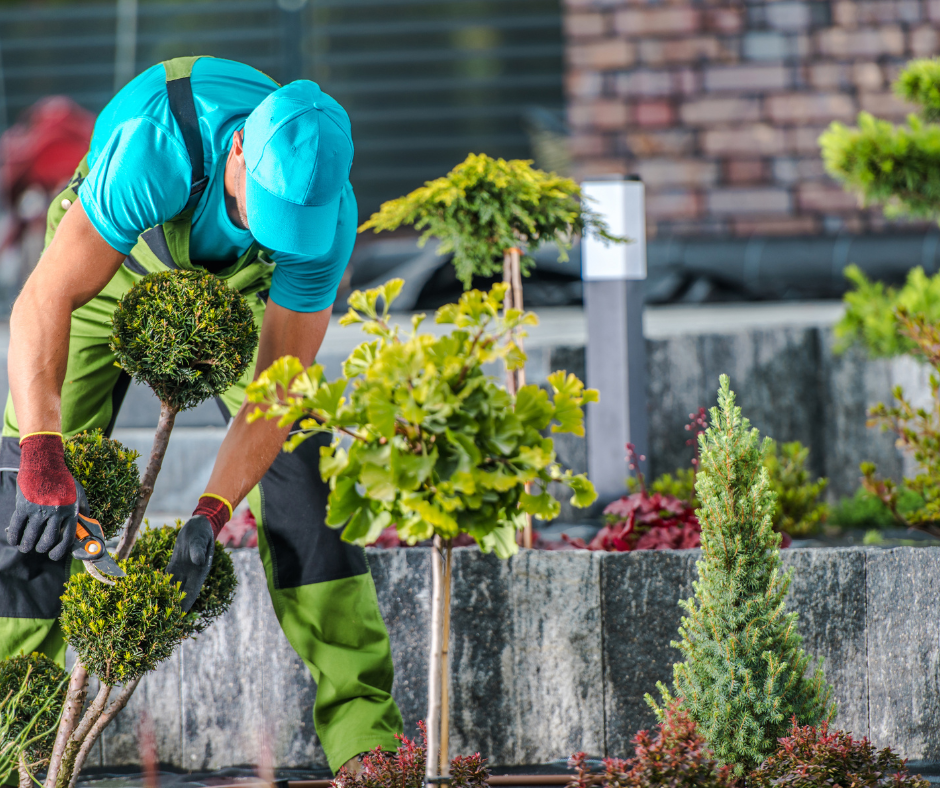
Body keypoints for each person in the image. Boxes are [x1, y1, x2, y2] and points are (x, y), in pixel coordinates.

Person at [0, 56, 402, 774]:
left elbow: (276, 393)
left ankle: (365, 740)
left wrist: (213, 513)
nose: (273, 233)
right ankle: (13, 740)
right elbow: (41, 302)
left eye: (290, 231)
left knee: (305, 473)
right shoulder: (156, 145)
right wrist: (41, 453)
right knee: (26, 498)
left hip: (244, 291)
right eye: (260, 214)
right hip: (112, 265)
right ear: (238, 150)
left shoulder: (321, 220)